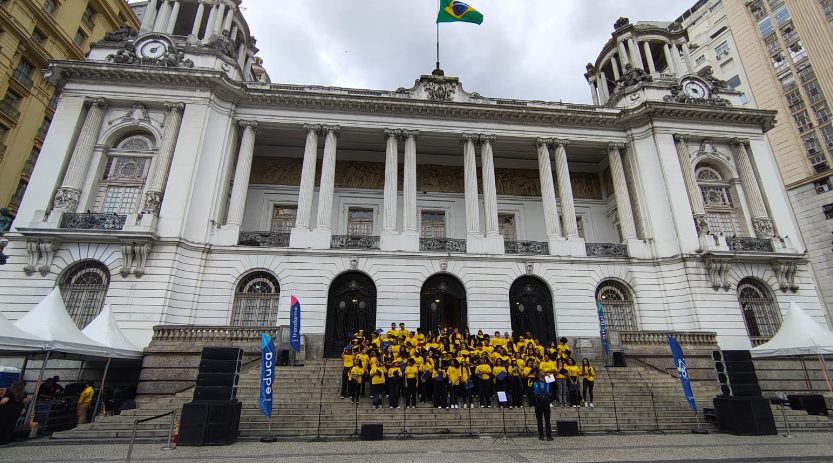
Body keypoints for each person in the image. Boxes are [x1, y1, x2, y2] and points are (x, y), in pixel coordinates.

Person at [0, 380, 26, 444]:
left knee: (2, 424)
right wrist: (22, 409)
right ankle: (5, 440)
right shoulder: (24, 392)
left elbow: (5, 400)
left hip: (7, 410)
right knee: (10, 426)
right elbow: (24, 401)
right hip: (17, 411)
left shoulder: (10, 390)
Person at [532, 371, 553, 441]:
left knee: (539, 420)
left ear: (538, 376)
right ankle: (549, 436)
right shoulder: (547, 384)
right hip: (546, 403)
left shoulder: (535, 383)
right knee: (547, 420)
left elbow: (535, 393)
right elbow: (549, 393)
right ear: (544, 377)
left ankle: (541, 436)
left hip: (538, 403)